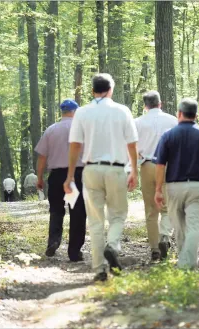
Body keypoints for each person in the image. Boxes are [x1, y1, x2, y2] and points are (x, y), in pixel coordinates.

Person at [65, 73, 138, 282]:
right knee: (117, 215)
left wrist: (70, 175)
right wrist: (134, 170)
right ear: (111, 89)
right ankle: (113, 245)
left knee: (96, 221)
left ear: (92, 90)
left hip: (91, 170)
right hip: (116, 169)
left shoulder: (82, 113)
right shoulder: (122, 111)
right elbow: (132, 144)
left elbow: (75, 146)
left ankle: (99, 269)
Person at [153, 98, 199, 269]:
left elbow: (160, 165)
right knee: (194, 227)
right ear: (196, 115)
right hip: (198, 186)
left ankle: (185, 263)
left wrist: (158, 189)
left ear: (179, 114)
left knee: (179, 227)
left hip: (174, 187)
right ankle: (187, 262)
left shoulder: (168, 135)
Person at [35, 99, 87, 262]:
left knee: (56, 209)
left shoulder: (51, 130)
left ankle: (54, 241)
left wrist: (40, 178)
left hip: (57, 176)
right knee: (77, 212)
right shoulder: (82, 129)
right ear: (75, 111)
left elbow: (42, 157)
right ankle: (74, 251)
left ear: (62, 111)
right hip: (76, 175)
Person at [136, 91, 177, 262]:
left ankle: (154, 249)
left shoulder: (137, 122)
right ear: (160, 103)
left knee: (151, 210)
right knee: (168, 207)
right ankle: (165, 236)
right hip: (168, 166)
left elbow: (132, 147)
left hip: (147, 165)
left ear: (145, 106)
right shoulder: (173, 120)